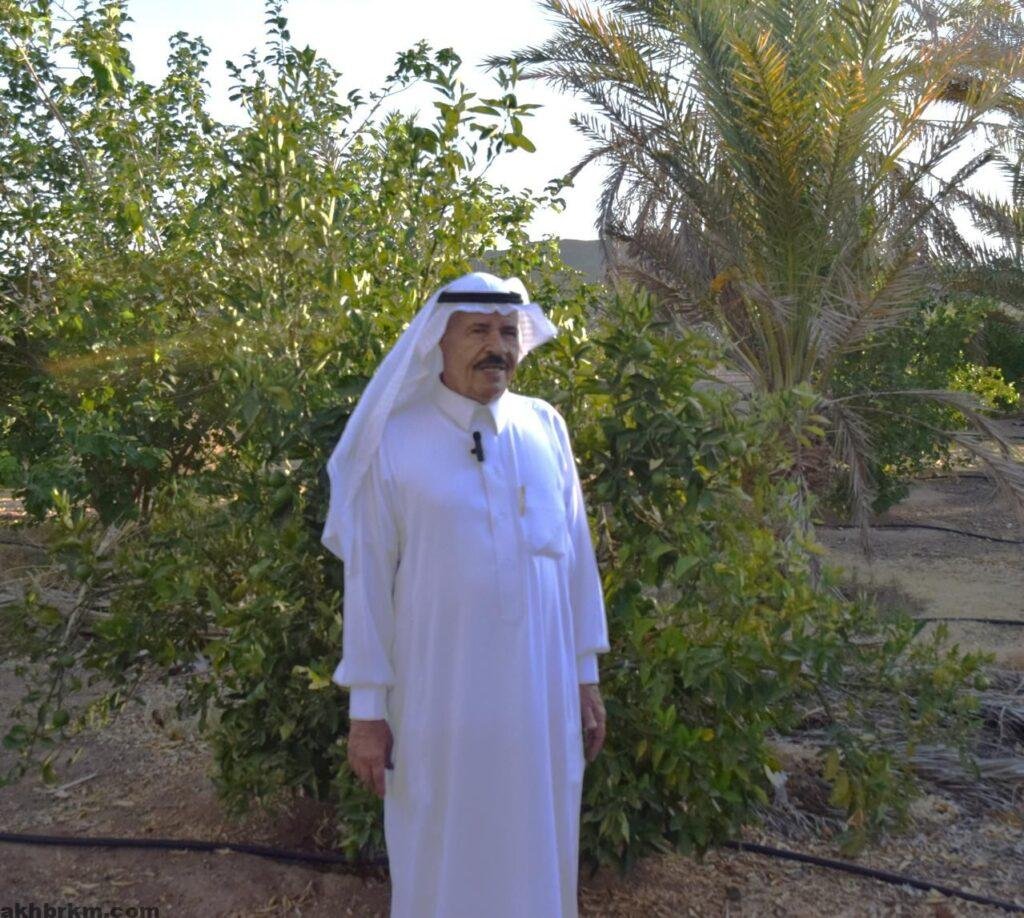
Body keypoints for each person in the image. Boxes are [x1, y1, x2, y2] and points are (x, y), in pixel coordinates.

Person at [321, 270, 610, 918]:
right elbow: (367, 581)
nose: (497, 347)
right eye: (478, 330)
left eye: (507, 332)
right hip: (438, 703)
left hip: (541, 703)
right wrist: (367, 712)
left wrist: (585, 677)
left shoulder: (546, 426)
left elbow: (576, 560)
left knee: (538, 844)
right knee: (441, 847)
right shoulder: (394, 439)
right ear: (439, 341)